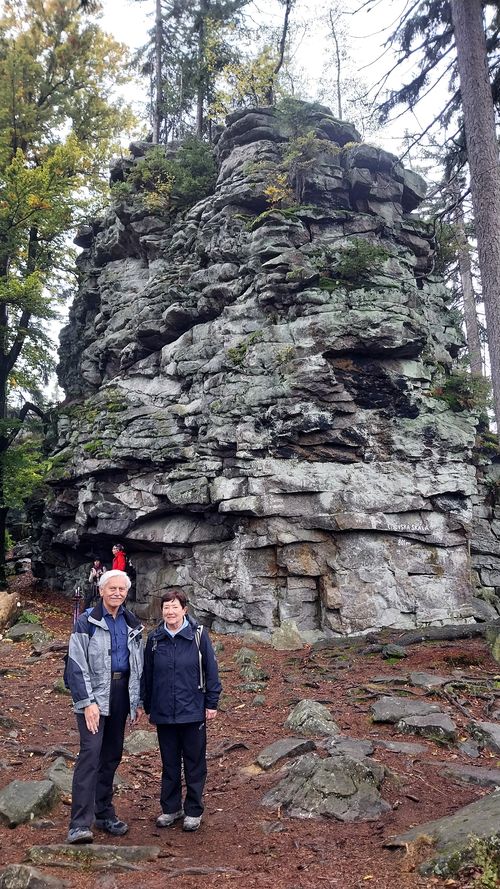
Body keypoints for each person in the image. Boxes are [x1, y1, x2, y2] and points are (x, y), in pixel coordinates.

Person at [65, 569, 144, 844]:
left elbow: (137, 664)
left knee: (111, 756)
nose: (117, 593)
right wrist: (87, 703)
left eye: (122, 589)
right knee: (90, 755)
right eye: (112, 588)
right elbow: (76, 665)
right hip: (94, 696)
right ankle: (79, 824)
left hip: (121, 694)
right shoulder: (86, 622)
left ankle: (104, 813)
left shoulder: (132, 622)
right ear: (101, 591)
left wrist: (137, 701)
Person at [141, 589, 221, 832]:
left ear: (184, 610)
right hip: (164, 711)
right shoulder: (155, 639)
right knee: (170, 762)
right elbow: (148, 675)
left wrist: (211, 703)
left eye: (175, 607)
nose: (170, 612)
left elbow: (211, 670)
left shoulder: (198, 636)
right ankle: (171, 808)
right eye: (166, 607)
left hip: (193, 709)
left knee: (195, 762)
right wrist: (147, 705)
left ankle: (194, 810)